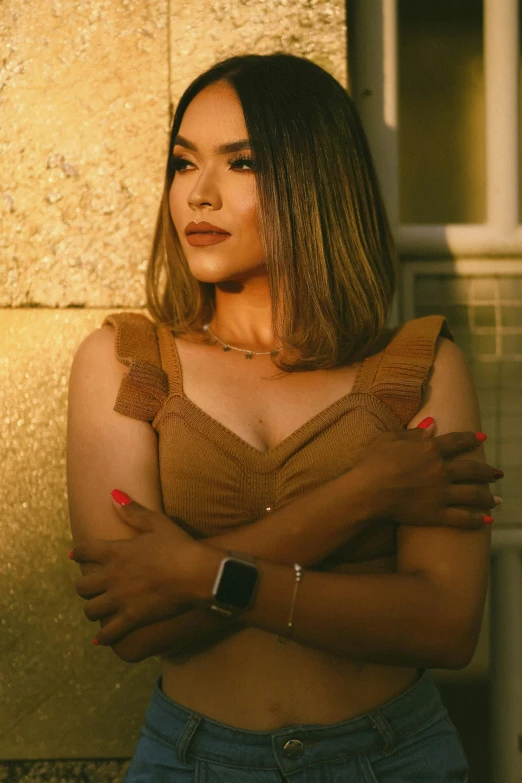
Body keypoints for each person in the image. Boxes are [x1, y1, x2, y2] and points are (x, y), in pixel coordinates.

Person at [67, 52, 502, 782]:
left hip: (397, 759)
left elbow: (444, 624)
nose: (197, 196)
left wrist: (197, 569)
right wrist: (364, 494)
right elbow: (135, 620)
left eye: (242, 164)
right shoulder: (125, 362)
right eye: (183, 163)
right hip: (193, 761)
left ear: (315, 181)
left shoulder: (420, 365)